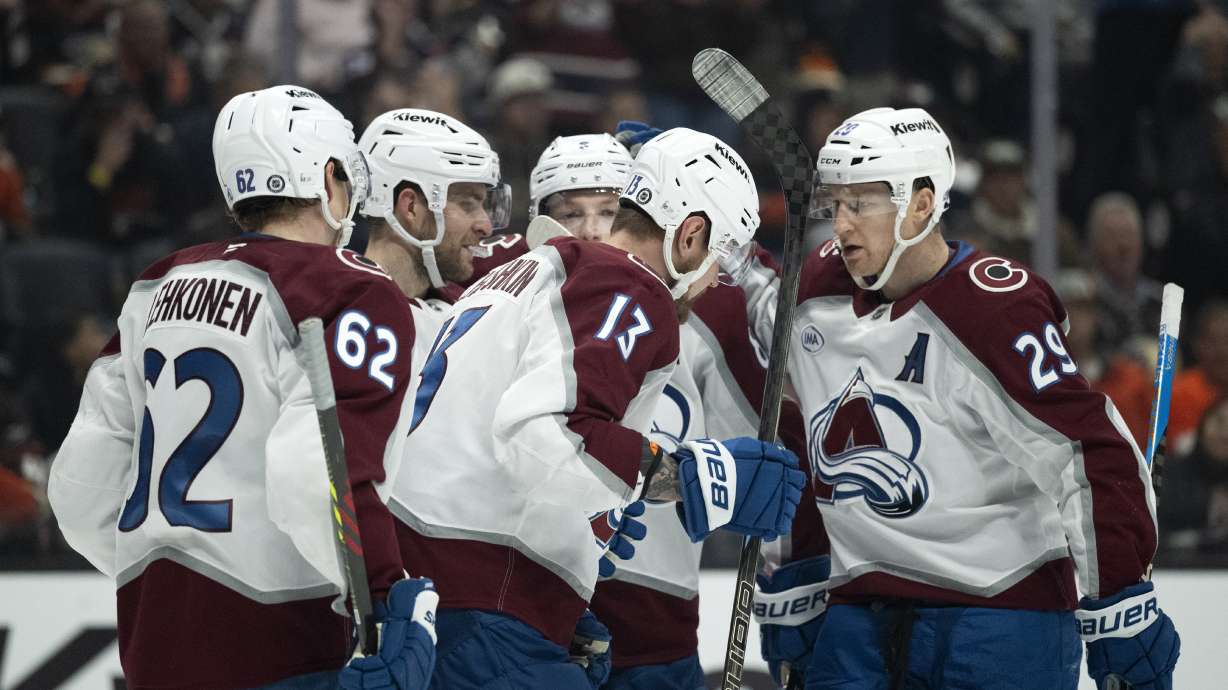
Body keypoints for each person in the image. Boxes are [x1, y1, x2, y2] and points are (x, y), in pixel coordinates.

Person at [728, 107, 1180, 690]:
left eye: (861, 203)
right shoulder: (817, 290)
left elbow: (1088, 454)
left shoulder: (993, 310)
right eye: (833, 204)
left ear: (920, 203)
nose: (840, 225)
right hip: (858, 618)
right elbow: (749, 304)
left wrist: (1120, 605)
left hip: (1000, 619)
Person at [387, 127, 805, 688]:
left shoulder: (534, 269)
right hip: (484, 601)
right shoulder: (629, 286)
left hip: (438, 591)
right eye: (719, 260)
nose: (712, 283)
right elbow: (549, 435)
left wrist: (560, 574)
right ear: (691, 235)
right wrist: (689, 476)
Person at [48, 85, 436, 690]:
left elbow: (77, 490)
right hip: (282, 645)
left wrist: (164, 574)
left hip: (154, 646)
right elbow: (320, 470)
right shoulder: (347, 286)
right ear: (330, 177)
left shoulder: (156, 283)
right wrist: (382, 596)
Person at [524, 130, 825, 689]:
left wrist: (786, 580)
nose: (590, 229)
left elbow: (759, 465)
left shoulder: (695, 319)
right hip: (537, 613)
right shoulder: (525, 304)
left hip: (655, 633)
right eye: (570, 213)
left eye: (606, 209)